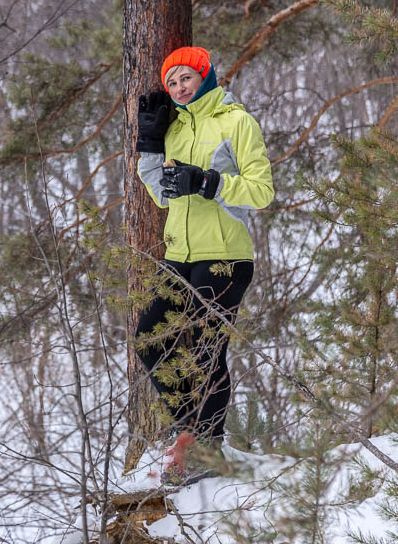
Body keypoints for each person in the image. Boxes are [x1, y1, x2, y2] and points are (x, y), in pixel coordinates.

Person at [134, 46, 274, 485]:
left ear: (206, 76)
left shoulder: (237, 122)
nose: (178, 88)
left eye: (186, 78)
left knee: (205, 351)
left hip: (226, 257)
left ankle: (208, 450)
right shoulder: (175, 127)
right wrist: (151, 147)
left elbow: (262, 191)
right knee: (149, 338)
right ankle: (190, 433)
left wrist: (210, 182)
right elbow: (162, 194)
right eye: (171, 82)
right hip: (179, 256)